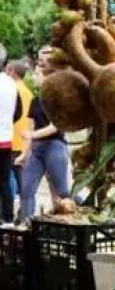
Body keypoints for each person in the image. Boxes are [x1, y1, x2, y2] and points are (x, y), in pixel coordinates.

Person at [14, 52, 73, 222]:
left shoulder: (59, 100)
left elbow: (56, 126)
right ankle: (26, 225)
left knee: (62, 191)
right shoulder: (35, 101)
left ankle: (74, 215)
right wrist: (24, 154)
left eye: (37, 74)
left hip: (55, 147)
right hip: (37, 150)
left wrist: (33, 134)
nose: (33, 77)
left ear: (47, 78)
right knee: (26, 188)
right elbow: (30, 126)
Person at [6, 59, 32, 198]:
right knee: (20, 178)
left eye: (7, 70)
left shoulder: (11, 90)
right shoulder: (28, 92)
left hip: (12, 139)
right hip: (23, 141)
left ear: (12, 72)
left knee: (10, 178)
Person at [0, 45, 17, 223]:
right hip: (5, 139)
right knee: (4, 181)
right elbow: (18, 111)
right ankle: (8, 219)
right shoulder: (11, 83)